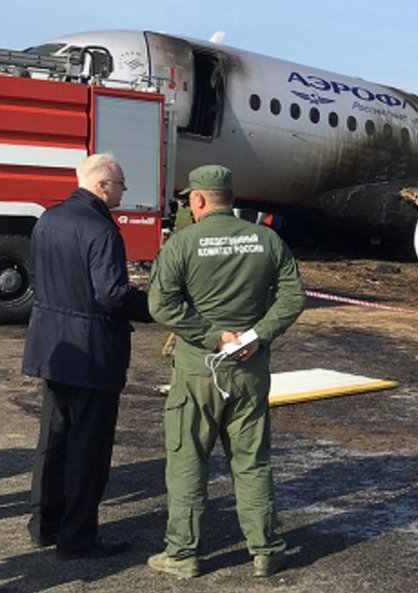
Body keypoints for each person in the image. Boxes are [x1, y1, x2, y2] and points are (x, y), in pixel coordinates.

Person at [146, 165, 305, 579]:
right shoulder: (267, 240)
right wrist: (258, 335)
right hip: (250, 369)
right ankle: (266, 549)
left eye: (189, 201)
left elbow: (161, 306)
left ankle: (182, 554)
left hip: (199, 372)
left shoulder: (182, 244)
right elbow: (292, 297)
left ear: (199, 199)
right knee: (251, 461)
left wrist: (214, 337)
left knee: (188, 460)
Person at [22, 153, 152, 559]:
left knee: (53, 438)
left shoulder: (48, 220)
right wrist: (153, 306)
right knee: (88, 448)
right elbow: (111, 295)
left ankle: (45, 524)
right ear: (101, 185)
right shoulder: (102, 230)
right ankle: (78, 536)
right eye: (121, 184)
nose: (124, 191)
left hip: (52, 347)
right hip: (92, 353)